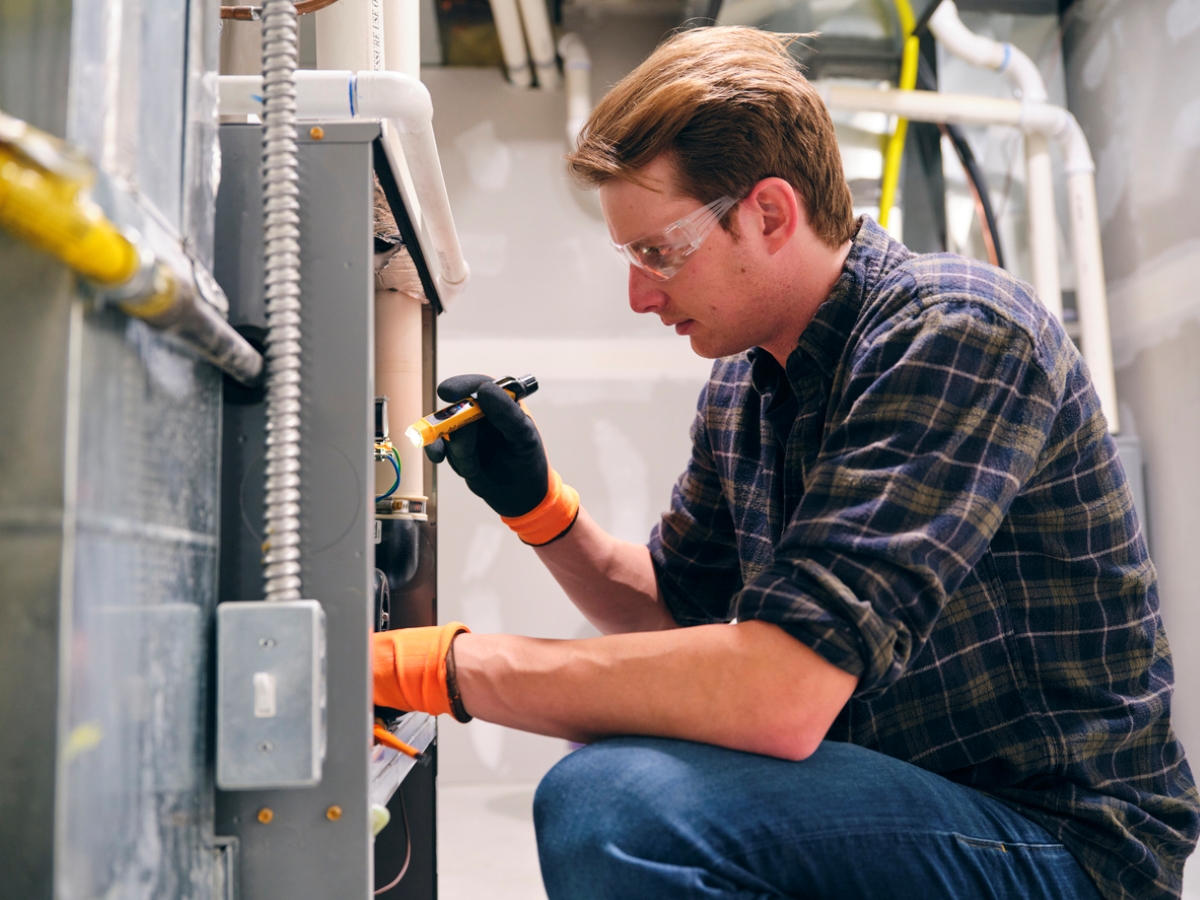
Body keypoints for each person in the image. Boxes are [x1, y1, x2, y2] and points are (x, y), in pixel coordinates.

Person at [372, 26, 1200, 900]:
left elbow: (779, 691)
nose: (639, 294)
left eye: (657, 252)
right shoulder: (744, 385)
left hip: (1065, 844)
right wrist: (541, 511)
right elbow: (673, 611)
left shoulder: (957, 332)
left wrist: (440, 669)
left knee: (615, 800)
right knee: (623, 755)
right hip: (911, 797)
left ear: (768, 213)